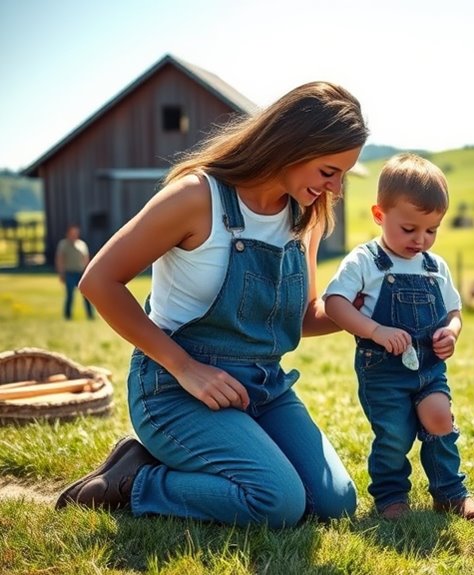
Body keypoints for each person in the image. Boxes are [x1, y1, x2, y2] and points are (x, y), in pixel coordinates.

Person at [55, 81, 369, 527]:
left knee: (335, 503)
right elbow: (99, 281)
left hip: (264, 386)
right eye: (328, 171)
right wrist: (185, 368)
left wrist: (361, 312)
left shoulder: (307, 215)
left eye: (342, 175)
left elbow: (302, 315)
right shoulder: (196, 197)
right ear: (292, 147)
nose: (336, 188)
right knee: (276, 502)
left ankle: (223, 450)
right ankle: (136, 478)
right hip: (174, 385)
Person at [322, 153, 474, 522]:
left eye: (431, 230)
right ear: (380, 216)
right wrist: (375, 330)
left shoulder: (435, 266)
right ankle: (391, 496)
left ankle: (449, 492)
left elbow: (454, 311)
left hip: (429, 367)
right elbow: (335, 303)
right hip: (383, 371)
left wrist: (451, 332)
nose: (421, 239)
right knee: (395, 435)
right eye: (409, 229)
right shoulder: (365, 261)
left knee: (439, 418)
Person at [55, 224, 94, 320]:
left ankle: (90, 315)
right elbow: (60, 259)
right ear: (68, 234)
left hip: (81, 273)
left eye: (76, 233)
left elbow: (86, 259)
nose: (74, 235)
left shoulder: (82, 244)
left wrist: (87, 273)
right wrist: (61, 273)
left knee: (87, 295)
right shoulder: (63, 244)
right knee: (70, 295)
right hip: (69, 273)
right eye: (72, 233)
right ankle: (68, 315)